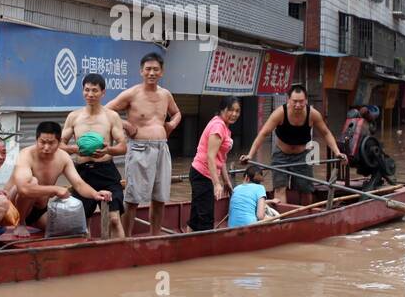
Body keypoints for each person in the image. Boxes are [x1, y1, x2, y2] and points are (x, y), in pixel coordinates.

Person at [106, 52, 181, 237]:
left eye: (156, 69)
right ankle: (127, 238)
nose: (152, 73)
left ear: (162, 72)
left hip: (162, 149)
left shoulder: (165, 95)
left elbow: (177, 113)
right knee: (132, 198)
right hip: (139, 149)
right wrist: (126, 125)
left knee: (160, 198)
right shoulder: (132, 93)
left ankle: (154, 237)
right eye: (148, 69)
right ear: (141, 71)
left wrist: (171, 124)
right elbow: (106, 110)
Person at [241, 84, 343, 205]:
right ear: (288, 100)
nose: (298, 105)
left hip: (302, 156)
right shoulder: (280, 113)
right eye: (295, 101)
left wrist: (337, 152)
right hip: (281, 155)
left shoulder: (313, 114)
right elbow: (263, 134)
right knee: (279, 188)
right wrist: (250, 155)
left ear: (306, 100)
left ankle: (306, 217)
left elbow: (326, 133)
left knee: (305, 190)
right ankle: (283, 221)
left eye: (301, 101)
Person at [7, 121, 112, 229]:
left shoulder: (63, 157)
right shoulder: (25, 154)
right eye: (42, 142)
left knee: (65, 229)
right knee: (31, 182)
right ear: (36, 140)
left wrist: (95, 194)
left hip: (39, 210)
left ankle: (30, 222)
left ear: (59, 142)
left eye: (51, 143)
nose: (46, 147)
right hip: (14, 209)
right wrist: (55, 190)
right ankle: (20, 224)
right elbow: (24, 188)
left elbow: (79, 184)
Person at [61, 73, 128, 237]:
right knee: (83, 222)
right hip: (83, 173)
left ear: (103, 93)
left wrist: (108, 150)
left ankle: (122, 255)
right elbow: (60, 144)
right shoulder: (74, 116)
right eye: (87, 90)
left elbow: (123, 147)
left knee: (113, 218)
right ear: (83, 91)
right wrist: (74, 150)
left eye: (95, 91)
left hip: (106, 172)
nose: (90, 94)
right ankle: (88, 257)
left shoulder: (111, 116)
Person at [188, 96, 240, 232]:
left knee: (196, 217)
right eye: (230, 110)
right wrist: (217, 184)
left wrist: (226, 181)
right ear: (222, 110)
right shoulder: (218, 127)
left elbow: (220, 158)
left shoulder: (224, 127)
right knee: (206, 219)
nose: (234, 114)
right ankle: (204, 250)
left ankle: (189, 247)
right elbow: (210, 157)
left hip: (203, 174)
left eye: (237, 111)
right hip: (202, 174)